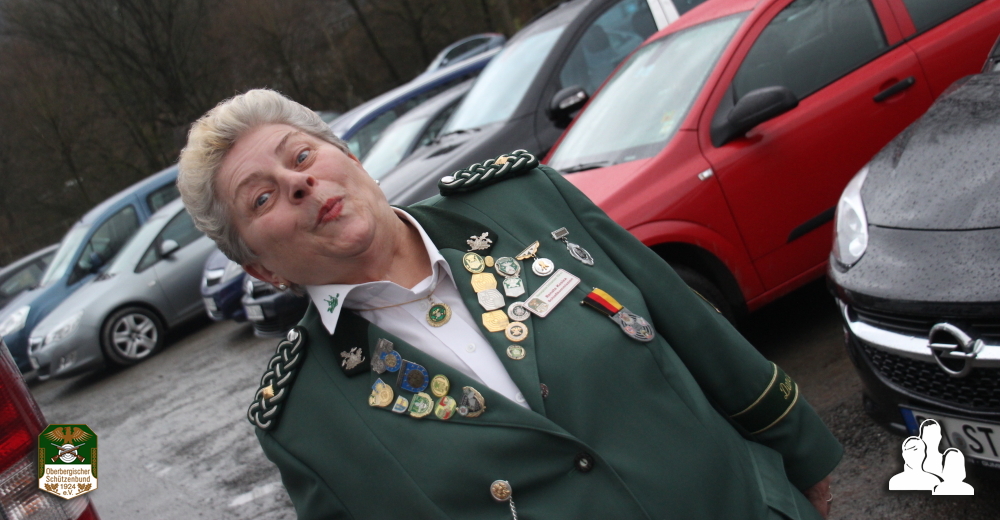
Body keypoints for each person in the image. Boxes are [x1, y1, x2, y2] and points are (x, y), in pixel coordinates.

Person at [178, 89, 842, 520]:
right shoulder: (303, 419)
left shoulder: (523, 203)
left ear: (349, 157)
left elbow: (692, 327)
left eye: (301, 155)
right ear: (259, 268)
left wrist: (802, 463)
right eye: (261, 197)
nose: (298, 182)